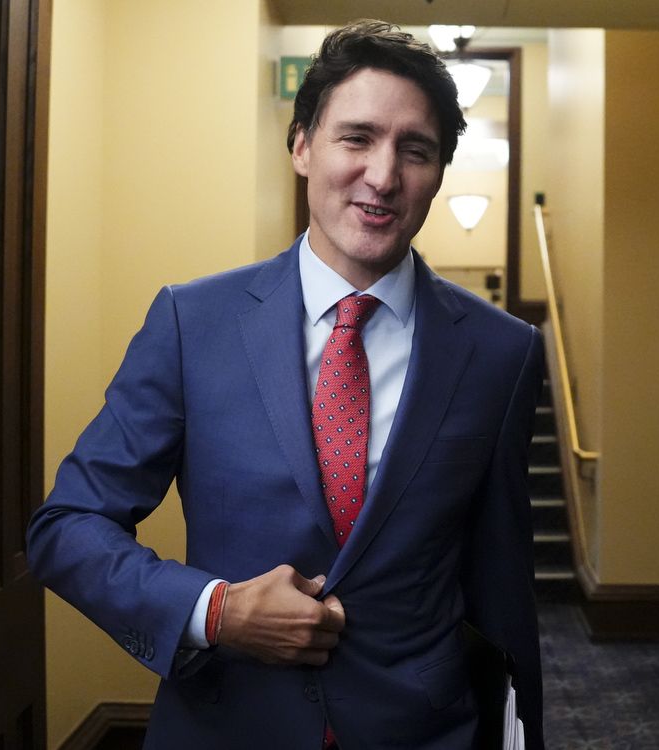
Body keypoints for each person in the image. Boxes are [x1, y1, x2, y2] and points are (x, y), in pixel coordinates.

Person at [27, 19, 545, 749]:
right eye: (356, 138)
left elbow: (501, 585)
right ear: (301, 145)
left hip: (423, 730)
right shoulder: (191, 323)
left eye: (415, 150)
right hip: (228, 723)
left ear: (438, 173)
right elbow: (67, 528)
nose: (384, 175)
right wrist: (218, 610)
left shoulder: (503, 352)